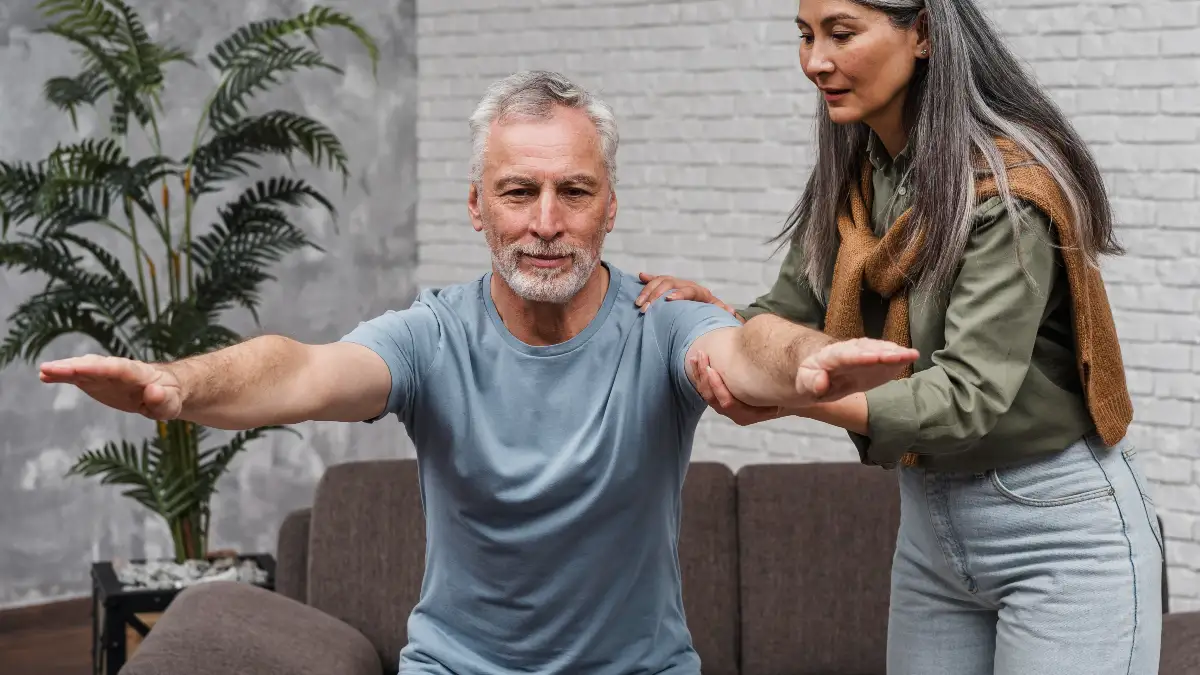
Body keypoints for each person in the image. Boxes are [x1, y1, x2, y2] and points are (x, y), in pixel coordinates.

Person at [38, 70, 917, 675]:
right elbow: (303, 370)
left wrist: (807, 359)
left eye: (574, 192)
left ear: (610, 207)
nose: (545, 221)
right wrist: (180, 385)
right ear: (476, 207)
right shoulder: (431, 336)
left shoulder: (662, 318)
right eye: (516, 191)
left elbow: (744, 350)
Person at [638, 1, 1163, 674]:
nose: (814, 60)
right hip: (931, 530)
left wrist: (799, 393)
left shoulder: (1006, 191)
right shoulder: (856, 185)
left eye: (841, 33)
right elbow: (789, 311)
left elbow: (967, 395)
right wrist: (722, 325)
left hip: (1057, 531)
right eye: (804, 35)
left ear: (922, 32)